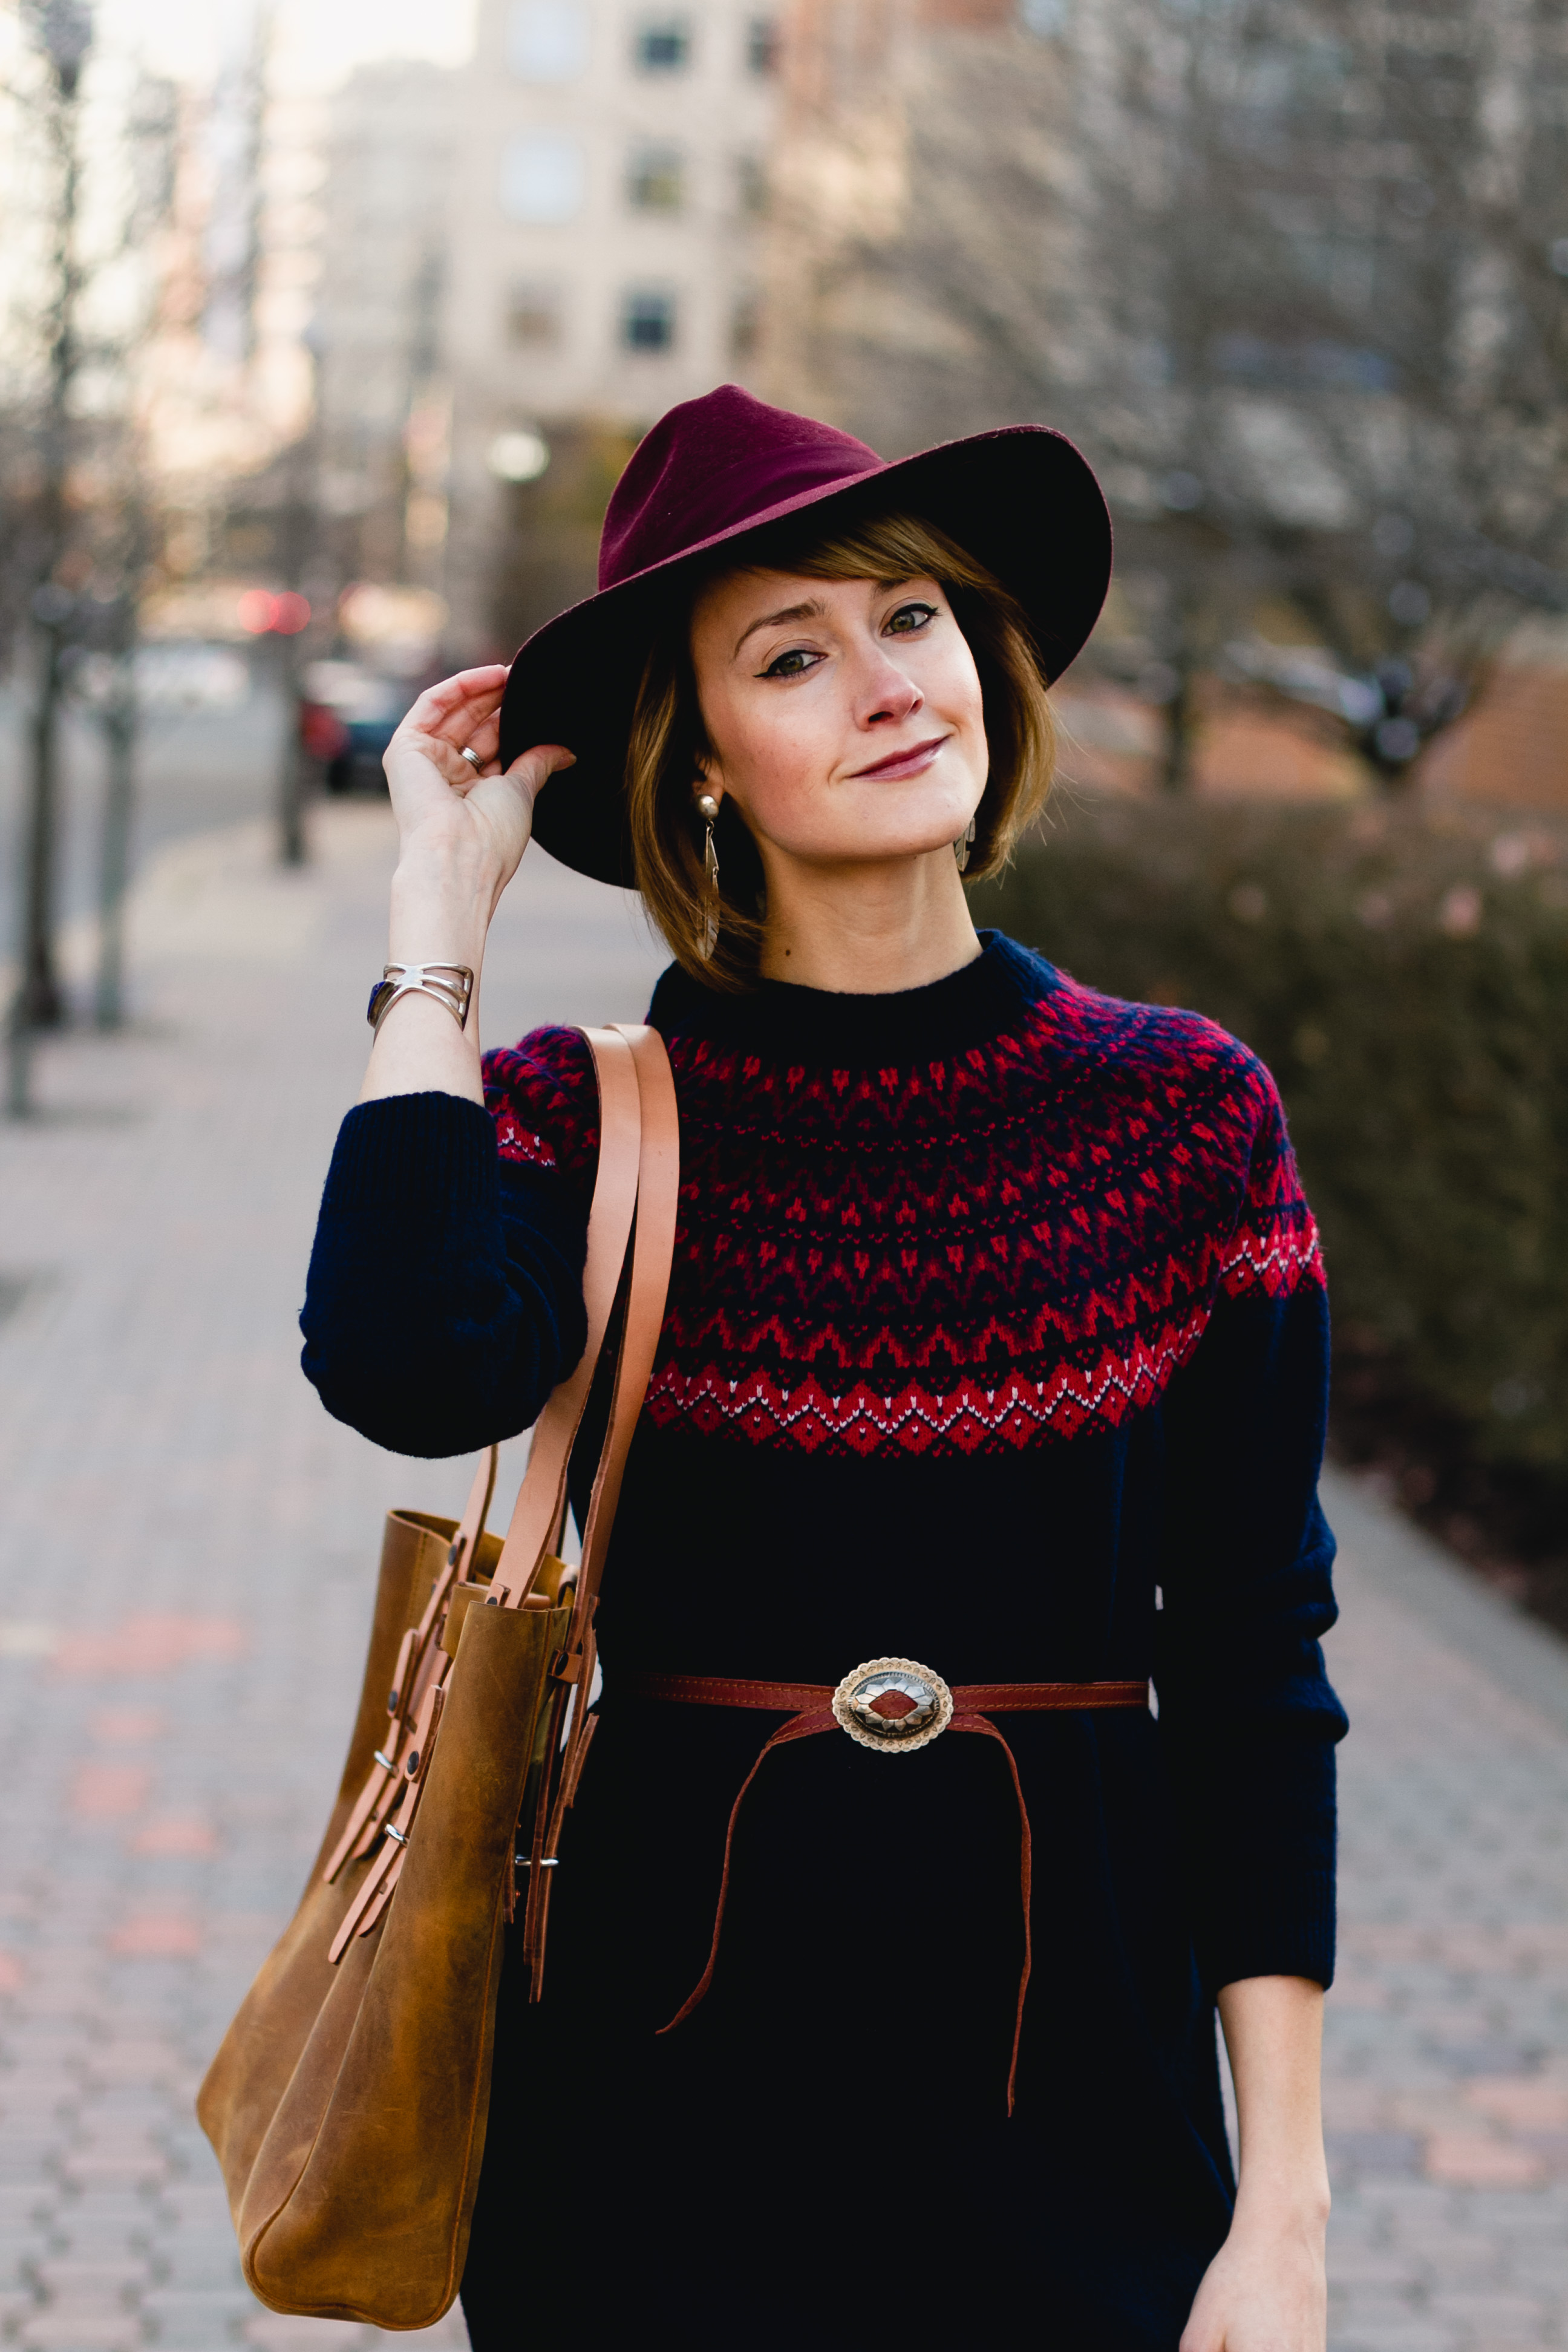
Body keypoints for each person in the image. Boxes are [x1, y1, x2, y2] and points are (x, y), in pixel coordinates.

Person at [301, 385, 1345, 2351]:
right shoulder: (580, 1120)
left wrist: (1282, 2207)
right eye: (793, 653)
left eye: (914, 619)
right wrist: (439, 924)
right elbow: (399, 1361)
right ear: (696, 759)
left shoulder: (1185, 1114)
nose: (885, 684)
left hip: (1084, 2102)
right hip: (657, 2100)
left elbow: (1253, 1666)